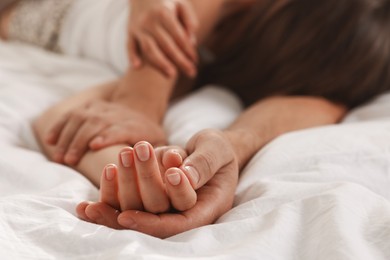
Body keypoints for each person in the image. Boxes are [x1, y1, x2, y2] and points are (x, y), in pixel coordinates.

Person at [1, 0, 389, 238]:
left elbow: (62, 125)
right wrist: (140, 105)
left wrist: (144, 185)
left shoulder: (199, 68)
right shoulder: (184, 25)